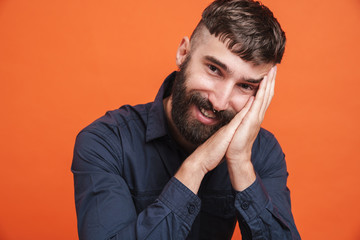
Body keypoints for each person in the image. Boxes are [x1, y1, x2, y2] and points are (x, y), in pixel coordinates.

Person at [71, 0, 301, 239]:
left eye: (244, 86)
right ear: (183, 53)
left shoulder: (263, 153)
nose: (220, 102)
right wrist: (195, 167)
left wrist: (241, 164)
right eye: (214, 69)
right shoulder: (106, 142)